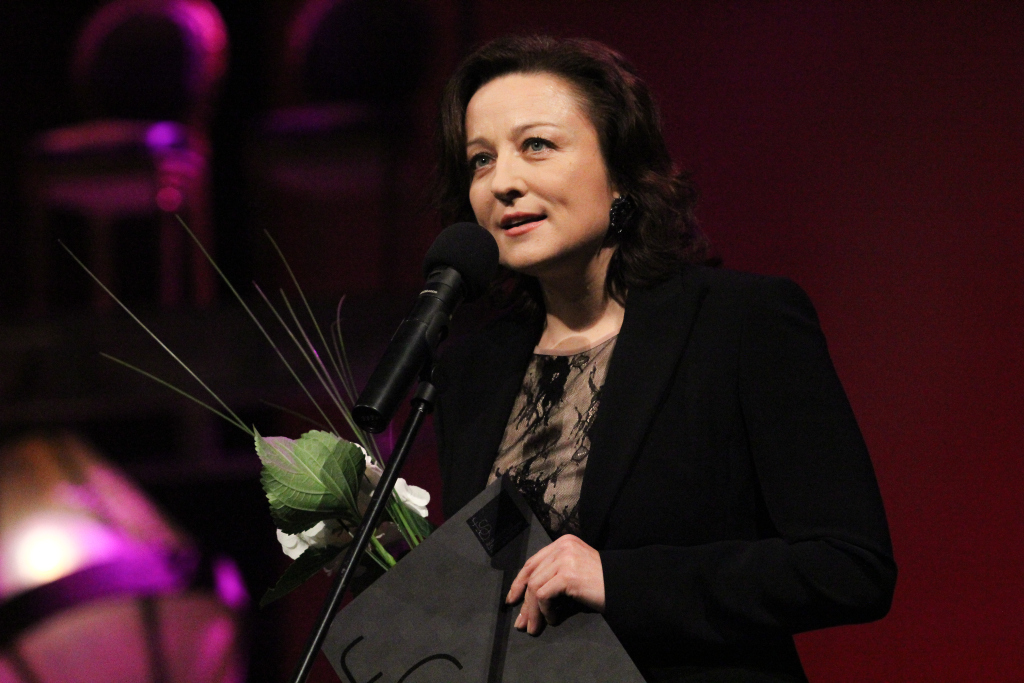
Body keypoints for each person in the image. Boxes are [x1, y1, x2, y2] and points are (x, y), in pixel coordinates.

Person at [431, 35, 896, 682]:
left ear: (620, 170)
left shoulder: (740, 323)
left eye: (536, 145)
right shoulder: (471, 369)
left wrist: (616, 579)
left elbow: (849, 567)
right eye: (480, 160)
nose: (502, 182)